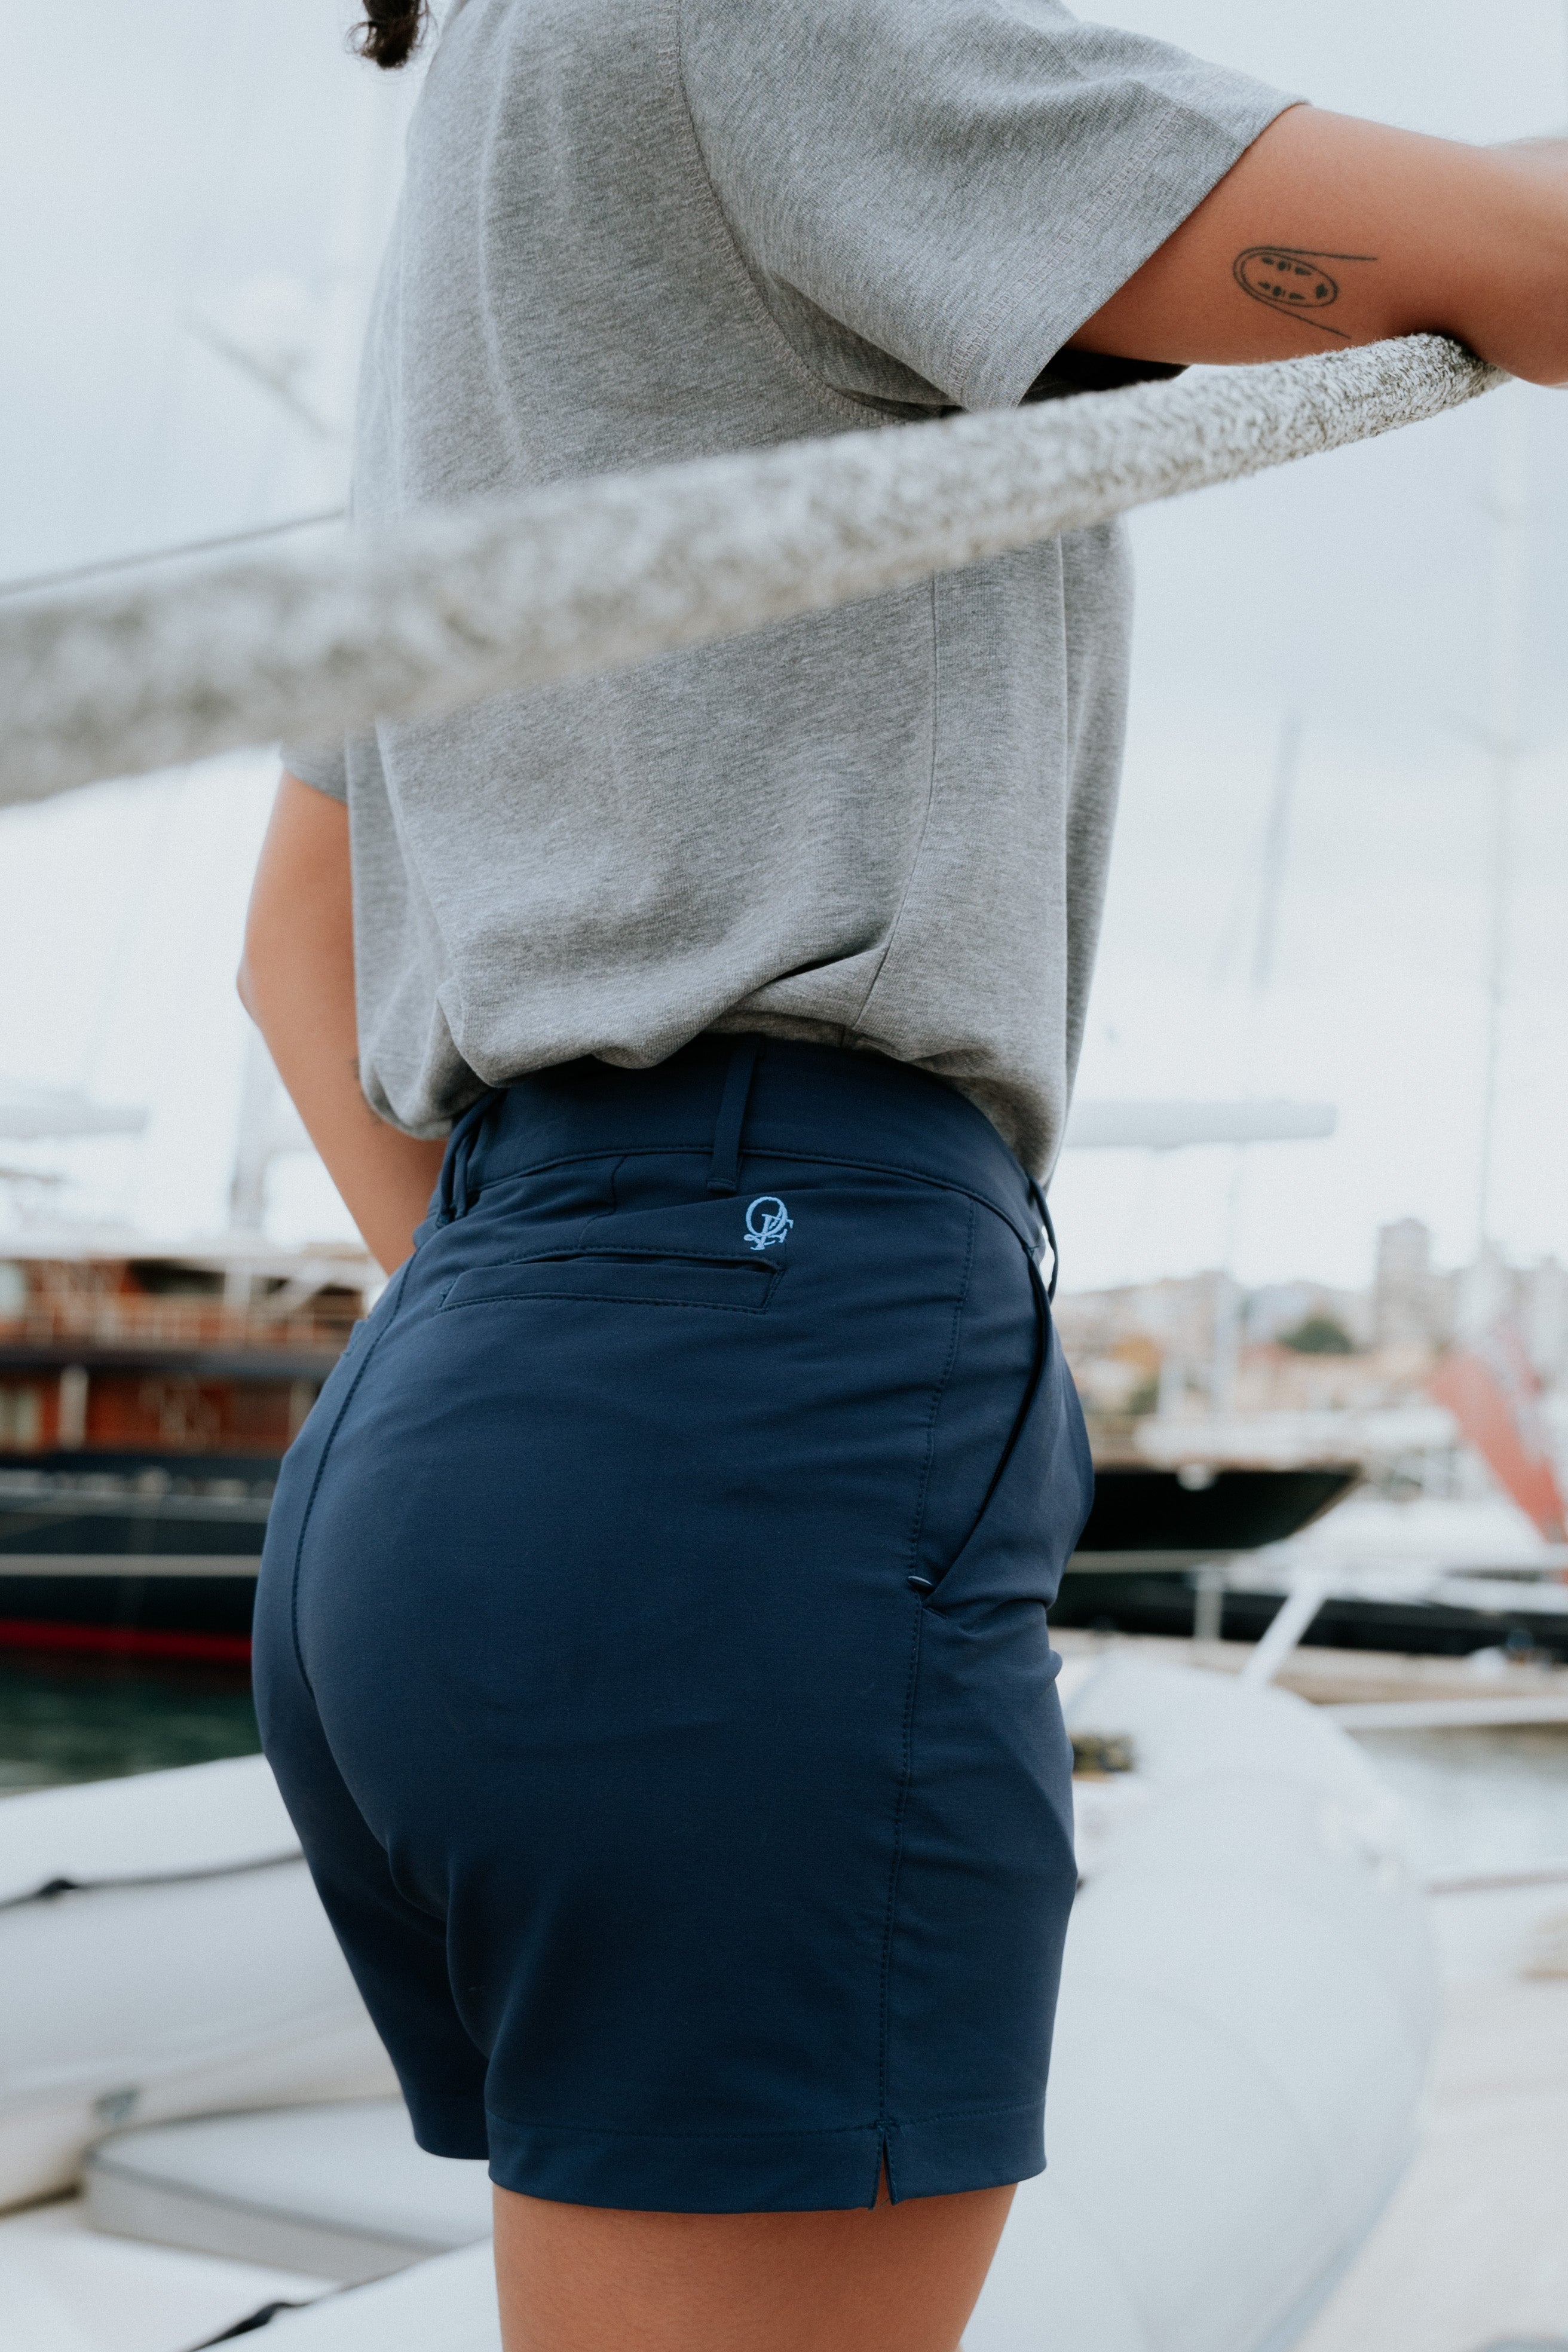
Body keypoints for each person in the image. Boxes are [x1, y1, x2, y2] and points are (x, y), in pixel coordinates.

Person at [239, 3, 1567, 2346]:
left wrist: (583, 1329)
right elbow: (1528, 256)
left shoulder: (493, 190)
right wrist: (692, 1352)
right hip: (744, 1397)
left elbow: (292, 958)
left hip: (464, 1424)